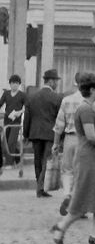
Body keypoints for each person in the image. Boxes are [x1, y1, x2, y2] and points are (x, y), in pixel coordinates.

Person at [50, 73, 95, 244]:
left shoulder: (91, 107)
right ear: (92, 90)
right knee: (85, 196)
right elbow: (91, 135)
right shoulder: (85, 109)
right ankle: (63, 227)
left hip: (94, 157)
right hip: (89, 157)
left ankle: (94, 234)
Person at [23, 69, 63, 197]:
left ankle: (39, 187)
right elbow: (59, 118)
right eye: (56, 81)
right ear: (50, 81)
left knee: (37, 160)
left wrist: (25, 134)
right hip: (50, 134)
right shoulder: (57, 98)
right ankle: (41, 187)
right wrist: (60, 136)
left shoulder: (32, 96)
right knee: (46, 160)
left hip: (35, 133)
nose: (57, 84)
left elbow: (27, 117)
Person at [52, 73, 84, 216]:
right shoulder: (91, 102)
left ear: (75, 83)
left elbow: (59, 125)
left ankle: (66, 194)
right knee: (81, 172)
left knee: (67, 170)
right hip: (85, 140)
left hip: (69, 139)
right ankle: (79, 204)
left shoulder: (66, 100)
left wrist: (55, 143)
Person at [1, 74, 27, 167]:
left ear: (19, 84)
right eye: (13, 83)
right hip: (7, 121)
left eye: (16, 83)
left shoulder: (22, 95)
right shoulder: (6, 94)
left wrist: (20, 112)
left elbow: (27, 107)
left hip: (16, 122)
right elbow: (0, 104)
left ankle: (9, 163)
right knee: (6, 142)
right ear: (10, 84)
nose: (14, 85)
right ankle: (17, 159)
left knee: (11, 141)